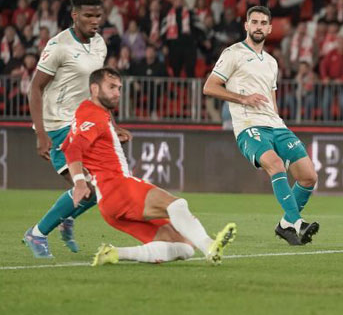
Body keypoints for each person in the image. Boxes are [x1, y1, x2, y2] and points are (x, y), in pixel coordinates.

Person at [61, 68, 235, 265]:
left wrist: (112, 135)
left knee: (185, 247)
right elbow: (74, 149)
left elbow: (67, 144)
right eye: (111, 87)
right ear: (94, 88)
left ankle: (114, 253)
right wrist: (79, 182)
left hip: (108, 204)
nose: (117, 92)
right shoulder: (93, 114)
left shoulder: (89, 112)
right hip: (117, 186)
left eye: (119, 88)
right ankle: (210, 246)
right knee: (176, 205)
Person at [22, 0, 126, 259]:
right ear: (74, 15)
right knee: (89, 187)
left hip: (83, 124)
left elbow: (97, 93)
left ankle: (67, 217)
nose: (95, 21)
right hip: (57, 125)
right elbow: (35, 89)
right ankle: (38, 232)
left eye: (98, 16)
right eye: (89, 16)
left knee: (104, 184)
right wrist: (41, 134)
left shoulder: (100, 44)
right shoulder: (59, 47)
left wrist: (112, 125)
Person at [203, 6, 319, 246]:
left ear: (269, 28)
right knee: (276, 165)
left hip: (275, 124)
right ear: (246, 25)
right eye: (253, 22)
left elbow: (271, 98)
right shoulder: (233, 52)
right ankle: (298, 223)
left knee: (308, 176)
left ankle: (285, 225)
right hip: (248, 125)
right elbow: (210, 86)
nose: (258, 26)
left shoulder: (272, 62)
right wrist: (243, 98)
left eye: (262, 22)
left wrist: (278, 122)